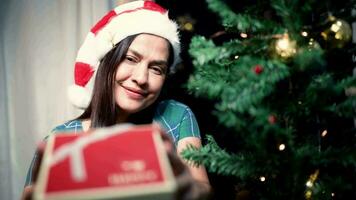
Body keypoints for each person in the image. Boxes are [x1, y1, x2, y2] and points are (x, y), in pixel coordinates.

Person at [21, 1, 211, 200]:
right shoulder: (59, 140)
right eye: (130, 58)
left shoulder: (176, 116)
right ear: (108, 61)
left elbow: (202, 188)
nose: (141, 78)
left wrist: (188, 189)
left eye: (156, 69)